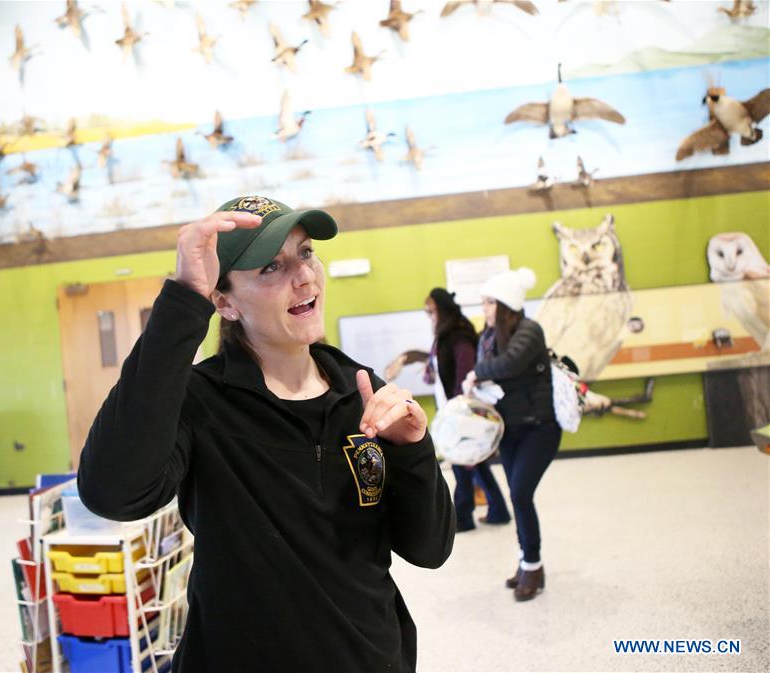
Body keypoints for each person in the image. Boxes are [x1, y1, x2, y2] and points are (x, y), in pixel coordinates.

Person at [77, 195, 456, 672]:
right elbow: (112, 493)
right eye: (271, 268)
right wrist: (183, 300)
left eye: (305, 253)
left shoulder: (359, 394)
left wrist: (413, 451)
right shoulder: (201, 402)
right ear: (225, 302)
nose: (304, 277)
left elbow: (430, 549)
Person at [464, 267, 561, 602]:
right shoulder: (488, 337)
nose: (485, 309)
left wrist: (476, 373)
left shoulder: (530, 331)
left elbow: (510, 364)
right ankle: (528, 564)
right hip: (509, 430)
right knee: (520, 498)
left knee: (520, 495)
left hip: (540, 428)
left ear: (505, 304)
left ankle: (531, 564)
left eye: (489, 302)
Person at [386, 288, 511, 532]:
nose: (429, 316)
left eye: (431, 311)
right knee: (473, 462)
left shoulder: (459, 335)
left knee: (461, 461)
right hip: (452, 409)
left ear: (441, 309)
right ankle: (498, 510)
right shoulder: (443, 336)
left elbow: (463, 372)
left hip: (461, 409)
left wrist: (459, 410)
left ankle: (464, 516)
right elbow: (436, 369)